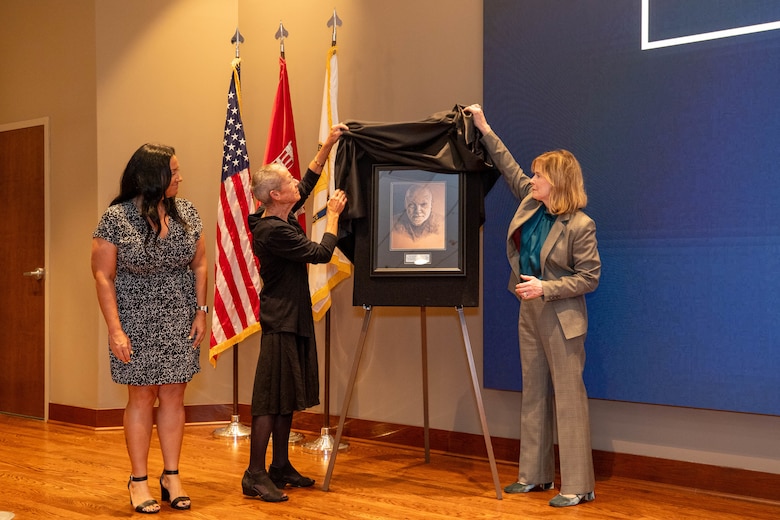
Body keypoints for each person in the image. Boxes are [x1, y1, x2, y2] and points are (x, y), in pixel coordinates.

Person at [466, 104, 601, 508]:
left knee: (568, 397)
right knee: (534, 393)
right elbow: (507, 166)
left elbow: (590, 277)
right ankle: (534, 476)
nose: (533, 178)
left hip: (562, 316)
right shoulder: (530, 201)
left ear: (556, 182)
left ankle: (578, 485)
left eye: (539, 174)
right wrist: (485, 127)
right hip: (529, 310)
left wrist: (547, 287)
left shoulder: (581, 225)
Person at [91, 143, 207, 514]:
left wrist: (201, 311)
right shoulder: (116, 217)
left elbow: (200, 265)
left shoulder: (187, 212)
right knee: (141, 398)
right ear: (150, 176)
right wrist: (115, 329)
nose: (180, 178)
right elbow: (103, 276)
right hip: (134, 318)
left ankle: (171, 476)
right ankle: (138, 481)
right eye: (173, 172)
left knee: (174, 394)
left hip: (179, 315)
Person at [242, 124, 348, 503]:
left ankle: (280, 466)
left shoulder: (278, 213)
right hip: (280, 321)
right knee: (270, 399)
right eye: (286, 181)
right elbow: (320, 254)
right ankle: (254, 474)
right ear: (274, 195)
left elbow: (306, 183)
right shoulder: (273, 231)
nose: (295, 184)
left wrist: (328, 145)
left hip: (294, 317)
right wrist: (333, 215)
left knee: (286, 396)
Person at [390, 183, 445, 250]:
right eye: (412, 204)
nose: (418, 211)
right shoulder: (392, 223)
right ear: (405, 204)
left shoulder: (442, 225)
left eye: (423, 204)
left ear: (431, 204)